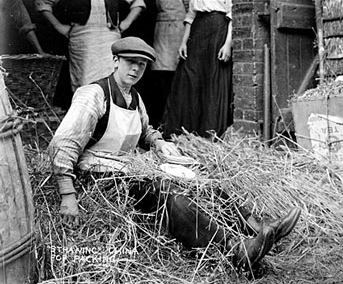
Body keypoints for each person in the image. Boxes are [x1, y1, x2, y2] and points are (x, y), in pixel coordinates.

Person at [48, 37, 301, 271]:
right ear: (115, 61)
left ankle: (259, 227)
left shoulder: (135, 97)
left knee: (198, 180)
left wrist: (158, 142)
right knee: (170, 193)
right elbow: (63, 145)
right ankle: (235, 250)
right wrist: (67, 194)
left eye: (141, 65)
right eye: (130, 62)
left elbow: (144, 130)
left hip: (126, 171)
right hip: (98, 179)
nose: (135, 69)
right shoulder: (93, 95)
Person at [35, 0, 145, 93]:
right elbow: (43, 2)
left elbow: (137, 2)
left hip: (110, 36)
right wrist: (58, 26)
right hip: (82, 38)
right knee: (85, 82)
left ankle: (110, 116)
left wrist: (127, 22)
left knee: (114, 80)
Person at [160, 0, 234, 139]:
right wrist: (183, 42)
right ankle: (185, 133)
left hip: (218, 30)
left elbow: (232, 15)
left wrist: (227, 44)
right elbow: (191, 16)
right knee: (189, 77)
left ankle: (209, 133)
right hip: (197, 32)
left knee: (212, 77)